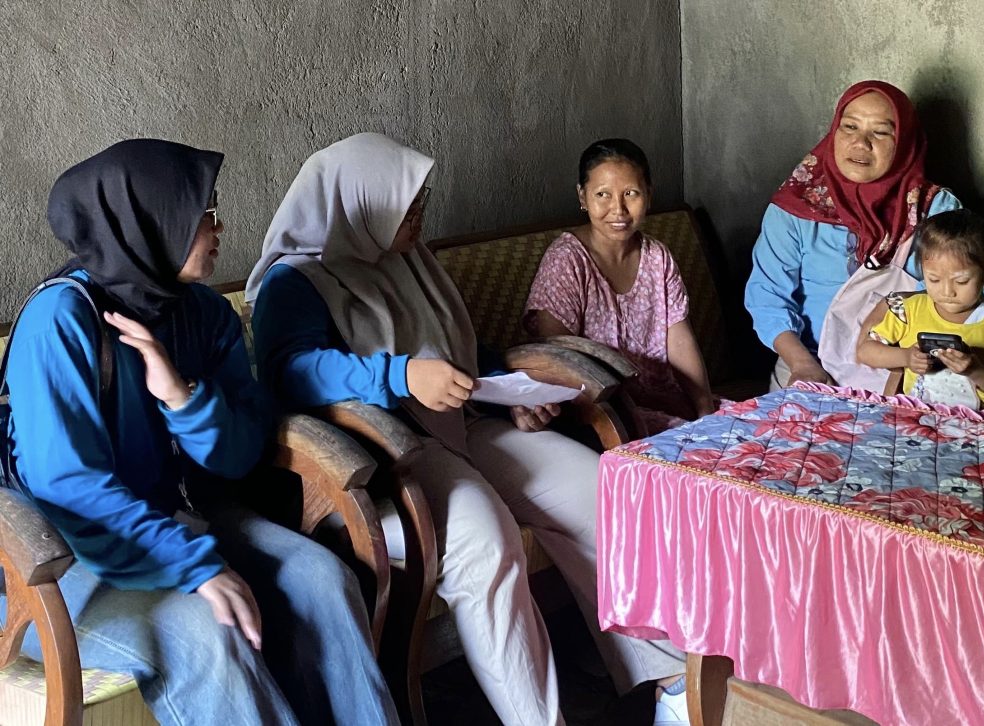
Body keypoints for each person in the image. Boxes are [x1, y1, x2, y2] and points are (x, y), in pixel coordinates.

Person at [247, 133, 690, 726]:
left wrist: (510, 393)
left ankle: (667, 680)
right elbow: (291, 372)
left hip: (460, 420)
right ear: (360, 204)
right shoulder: (295, 281)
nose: (419, 214)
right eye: (406, 204)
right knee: (486, 539)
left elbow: (456, 348)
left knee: (604, 489)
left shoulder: (407, 258)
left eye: (419, 199)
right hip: (383, 452)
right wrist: (401, 375)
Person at [1, 139, 398, 725]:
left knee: (324, 579)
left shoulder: (203, 314)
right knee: (211, 634)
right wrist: (198, 566)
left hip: (172, 514)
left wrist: (181, 397)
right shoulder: (60, 320)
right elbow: (68, 486)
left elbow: (238, 455)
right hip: (57, 556)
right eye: (202, 214)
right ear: (151, 222)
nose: (218, 227)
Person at [744, 80, 961, 390]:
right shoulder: (795, 207)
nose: (861, 143)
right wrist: (803, 364)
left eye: (881, 132)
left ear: (906, 143)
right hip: (808, 365)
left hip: (904, 370)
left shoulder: (935, 210)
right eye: (850, 127)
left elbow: (962, 296)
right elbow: (767, 297)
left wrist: (899, 367)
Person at [524, 138, 715, 433]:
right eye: (602, 194)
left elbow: (679, 340)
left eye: (631, 193)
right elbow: (558, 356)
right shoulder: (568, 260)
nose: (618, 209)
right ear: (582, 197)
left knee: (740, 429)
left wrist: (705, 410)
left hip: (665, 401)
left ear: (648, 195)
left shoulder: (657, 256)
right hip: (601, 413)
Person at [857, 209, 984, 410]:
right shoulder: (909, 311)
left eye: (961, 281)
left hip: (972, 423)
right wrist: (906, 357)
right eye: (934, 279)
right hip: (917, 415)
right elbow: (865, 352)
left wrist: (975, 370)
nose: (947, 292)